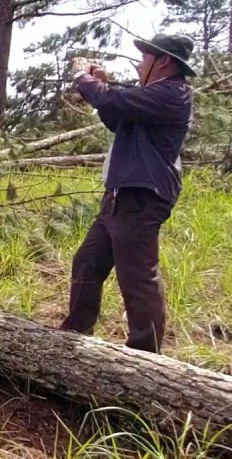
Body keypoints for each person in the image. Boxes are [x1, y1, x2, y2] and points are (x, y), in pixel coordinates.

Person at [60, 34, 195, 354]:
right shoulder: (153, 96)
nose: (139, 63)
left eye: (145, 57)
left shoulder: (173, 94)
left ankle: (145, 356)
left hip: (141, 196)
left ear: (163, 61)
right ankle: (74, 334)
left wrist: (84, 78)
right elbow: (115, 115)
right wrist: (101, 87)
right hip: (121, 196)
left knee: (136, 277)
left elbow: (113, 102)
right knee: (88, 262)